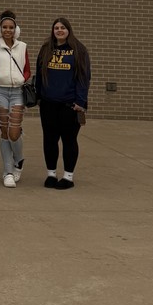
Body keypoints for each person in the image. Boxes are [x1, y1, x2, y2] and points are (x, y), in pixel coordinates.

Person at [35, 16, 91, 190]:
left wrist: (80, 101)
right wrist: (38, 96)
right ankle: (51, 174)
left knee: (69, 140)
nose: (59, 30)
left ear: (68, 30)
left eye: (63, 28)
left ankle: (68, 176)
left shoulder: (78, 50)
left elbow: (84, 77)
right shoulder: (46, 49)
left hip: (70, 105)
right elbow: (39, 73)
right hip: (48, 103)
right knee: (50, 140)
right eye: (56, 28)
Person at [0, 10, 30, 188]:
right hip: (0, 92)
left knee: (14, 132)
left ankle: (18, 159)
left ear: (16, 29)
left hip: (17, 92)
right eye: (4, 27)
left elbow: (27, 69)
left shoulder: (23, 47)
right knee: (4, 132)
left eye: (11, 27)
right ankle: (8, 172)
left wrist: (23, 79)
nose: (8, 30)